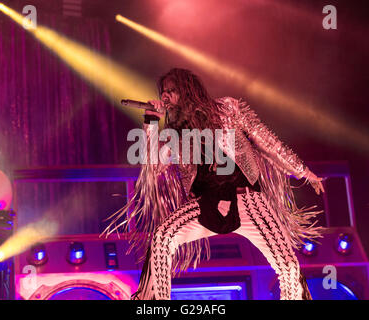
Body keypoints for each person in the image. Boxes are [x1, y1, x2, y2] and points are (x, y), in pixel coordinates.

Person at [103, 68, 324, 300]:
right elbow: (153, 167)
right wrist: (150, 122)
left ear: (187, 90)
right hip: (205, 204)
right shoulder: (174, 132)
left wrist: (302, 171)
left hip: (245, 199)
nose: (165, 97)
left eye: (171, 91)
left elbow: (265, 139)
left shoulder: (228, 108)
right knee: (162, 238)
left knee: (287, 265)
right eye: (163, 92)